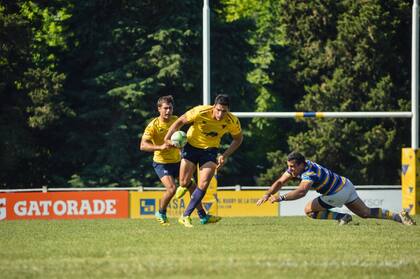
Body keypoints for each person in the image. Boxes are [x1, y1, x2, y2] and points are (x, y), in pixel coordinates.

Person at [256, 151, 416, 226]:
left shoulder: (309, 173)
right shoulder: (304, 165)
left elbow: (301, 191)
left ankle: (342, 217)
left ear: (301, 164)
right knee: (365, 213)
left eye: (292, 167)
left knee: (309, 211)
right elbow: (280, 181)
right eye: (289, 167)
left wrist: (281, 198)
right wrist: (267, 194)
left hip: (337, 193)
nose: (290, 170)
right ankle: (399, 217)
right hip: (346, 184)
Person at [164, 94, 243, 227]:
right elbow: (180, 121)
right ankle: (192, 195)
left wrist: (225, 155)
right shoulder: (200, 111)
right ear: (214, 107)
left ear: (228, 110)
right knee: (183, 182)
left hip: (210, 151)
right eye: (218, 110)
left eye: (224, 111)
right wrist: (167, 138)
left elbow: (238, 139)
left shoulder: (232, 121)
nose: (220, 114)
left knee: (204, 183)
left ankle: (185, 215)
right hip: (191, 146)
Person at [140, 95, 208, 225]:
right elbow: (143, 145)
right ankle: (161, 212)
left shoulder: (176, 120)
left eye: (170, 108)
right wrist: (160, 147)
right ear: (159, 109)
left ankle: (203, 216)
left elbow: (181, 138)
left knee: (192, 186)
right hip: (161, 163)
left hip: (177, 161)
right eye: (165, 108)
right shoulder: (153, 126)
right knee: (171, 189)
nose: (168, 111)